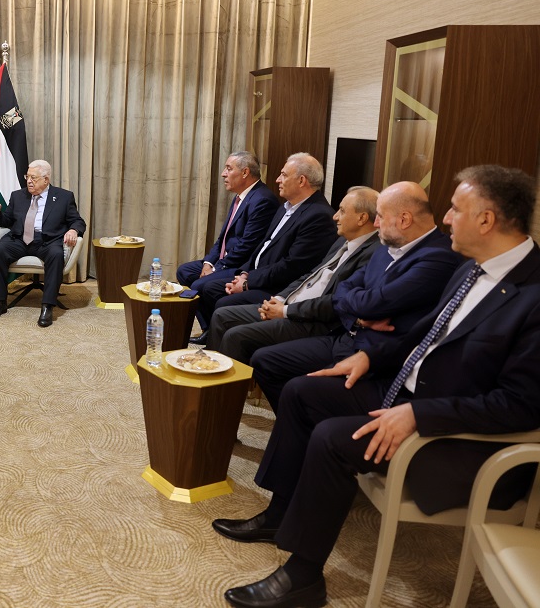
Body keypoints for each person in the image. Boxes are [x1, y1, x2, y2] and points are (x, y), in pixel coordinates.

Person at [214, 165, 540, 608]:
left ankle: (303, 576)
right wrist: (369, 357)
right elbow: (425, 334)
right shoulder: (472, 269)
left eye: (455, 209)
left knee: (331, 438)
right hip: (405, 394)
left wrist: (419, 414)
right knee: (301, 391)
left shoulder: (532, 295)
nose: (445, 218)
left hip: (457, 438)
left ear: (486, 220)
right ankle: (279, 512)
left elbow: (522, 405)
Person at [249, 181, 463, 411]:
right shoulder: (387, 245)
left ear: (404, 220)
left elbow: (373, 304)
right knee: (264, 360)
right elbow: (343, 288)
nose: (376, 223)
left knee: (300, 390)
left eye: (380, 216)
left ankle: (306, 417)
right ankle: (303, 419)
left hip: (375, 352)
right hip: (346, 334)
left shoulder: (438, 256)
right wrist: (358, 317)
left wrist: (357, 304)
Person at [206, 185, 380, 365]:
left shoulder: (373, 253)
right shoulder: (342, 240)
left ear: (362, 218)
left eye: (342, 211)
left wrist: (285, 311)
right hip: (291, 303)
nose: (335, 216)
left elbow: (335, 302)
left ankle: (224, 380)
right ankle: (206, 369)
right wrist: (280, 299)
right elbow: (310, 275)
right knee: (222, 315)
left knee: (236, 335)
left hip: (314, 321)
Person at [193, 153, 337, 338]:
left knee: (223, 304)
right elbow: (261, 247)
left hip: (279, 287)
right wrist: (243, 274)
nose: (277, 180)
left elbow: (292, 267)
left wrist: (248, 283)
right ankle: (213, 336)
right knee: (209, 289)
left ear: (302, 181)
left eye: (284, 175)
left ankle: (224, 346)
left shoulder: (318, 216)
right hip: (258, 275)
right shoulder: (286, 207)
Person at [0, 159, 87, 328]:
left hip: (47, 241)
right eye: (27, 177)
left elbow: (78, 221)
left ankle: (47, 306)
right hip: (19, 239)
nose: (29, 181)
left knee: (56, 254)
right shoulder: (18, 196)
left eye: (34, 177)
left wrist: (73, 230)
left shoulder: (63, 197)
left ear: (46, 179)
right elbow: (6, 221)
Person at [176, 151, 278, 291]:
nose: (223, 174)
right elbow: (223, 238)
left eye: (229, 169)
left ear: (245, 172)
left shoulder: (262, 200)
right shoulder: (240, 196)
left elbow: (247, 246)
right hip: (225, 260)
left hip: (240, 266)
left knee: (199, 285)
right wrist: (208, 263)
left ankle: (204, 302)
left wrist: (216, 269)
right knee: (184, 271)